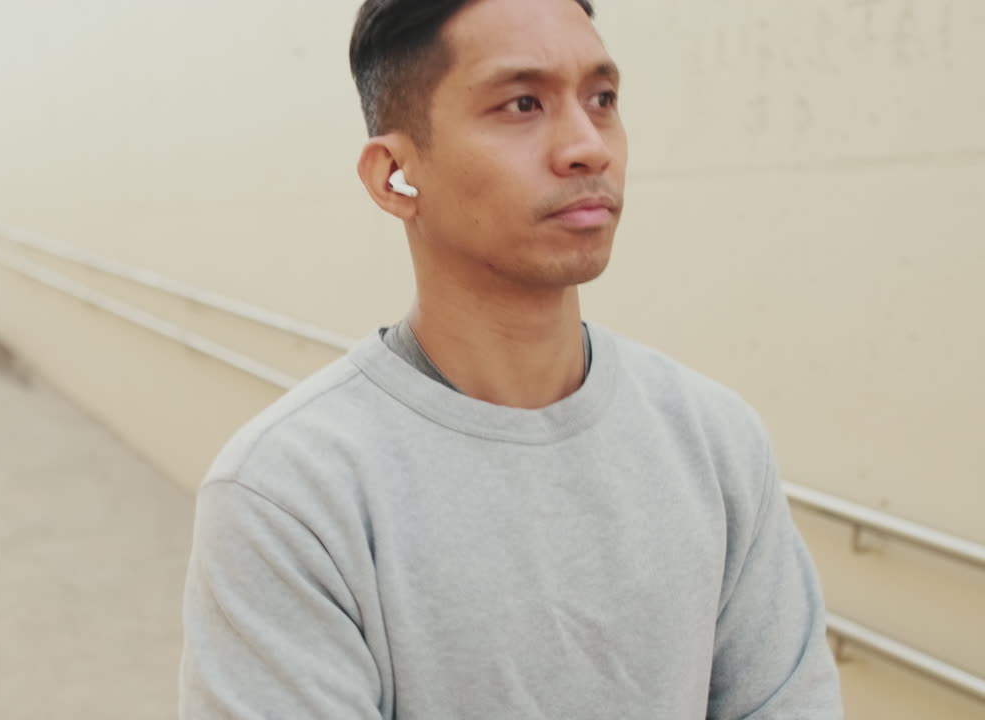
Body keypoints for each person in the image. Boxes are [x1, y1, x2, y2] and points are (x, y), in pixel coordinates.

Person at [179, 0, 845, 717]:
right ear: (395, 176)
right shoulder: (289, 493)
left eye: (602, 99)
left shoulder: (715, 442)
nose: (588, 146)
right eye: (523, 103)